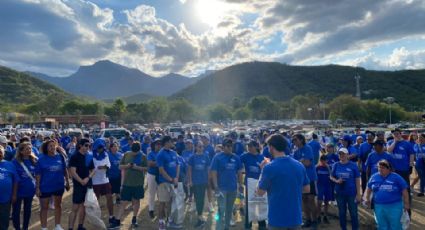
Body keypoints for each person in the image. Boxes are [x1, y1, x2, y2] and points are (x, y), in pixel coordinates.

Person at [257, 134, 310, 229]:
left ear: (271, 147)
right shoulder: (299, 165)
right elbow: (306, 189)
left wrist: (262, 171)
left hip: (277, 219)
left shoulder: (269, 168)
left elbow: (260, 192)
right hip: (295, 218)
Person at [110, 142, 147, 229]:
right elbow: (119, 166)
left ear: (139, 150)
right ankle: (117, 221)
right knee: (123, 202)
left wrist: (137, 167)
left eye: (136, 153)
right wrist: (127, 166)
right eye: (133, 152)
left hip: (138, 183)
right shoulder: (126, 154)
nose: (134, 154)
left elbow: (147, 168)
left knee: (136, 201)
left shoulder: (143, 156)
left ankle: (134, 218)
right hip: (127, 183)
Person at [365, 160, 410, 230]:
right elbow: (368, 188)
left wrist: (406, 203)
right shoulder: (374, 177)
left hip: (394, 206)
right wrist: (367, 198)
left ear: (389, 169)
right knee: (381, 224)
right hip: (379, 206)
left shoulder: (396, 177)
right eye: (379, 167)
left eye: (383, 167)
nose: (380, 169)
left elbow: (404, 190)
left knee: (395, 225)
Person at [36, 140, 70, 230]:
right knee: (44, 207)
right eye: (50, 146)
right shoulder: (41, 158)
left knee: (58, 205)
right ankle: (44, 227)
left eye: (53, 145)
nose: (52, 147)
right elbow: (38, 174)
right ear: (46, 148)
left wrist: (67, 181)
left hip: (58, 185)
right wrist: (38, 187)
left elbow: (65, 170)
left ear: (56, 146)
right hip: (45, 187)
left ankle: (57, 225)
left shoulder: (60, 157)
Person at [210, 138, 243, 230]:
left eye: (231, 146)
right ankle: (219, 227)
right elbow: (213, 172)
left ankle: (226, 227)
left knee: (229, 210)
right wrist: (216, 186)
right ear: (223, 147)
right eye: (227, 146)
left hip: (232, 188)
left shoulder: (236, 157)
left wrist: (240, 185)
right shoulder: (217, 157)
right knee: (221, 209)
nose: (229, 148)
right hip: (221, 189)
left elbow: (239, 172)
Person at [330, 147, 361, 230]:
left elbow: (357, 180)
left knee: (353, 213)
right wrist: (336, 181)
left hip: (351, 193)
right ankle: (343, 228)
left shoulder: (353, 165)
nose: (341, 155)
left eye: (343, 154)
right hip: (339, 193)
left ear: (347, 155)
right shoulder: (336, 165)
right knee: (342, 212)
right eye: (340, 154)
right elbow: (331, 176)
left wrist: (359, 194)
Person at [68, 138, 95, 230]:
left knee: (84, 206)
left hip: (87, 184)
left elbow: (93, 170)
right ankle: (70, 228)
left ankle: (80, 226)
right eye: (86, 145)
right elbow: (72, 172)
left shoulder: (89, 156)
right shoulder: (74, 156)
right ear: (80, 145)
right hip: (78, 185)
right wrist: (81, 181)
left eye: (89, 146)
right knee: (75, 207)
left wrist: (88, 178)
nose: (88, 147)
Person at [292, 134, 317, 229]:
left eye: (295, 139)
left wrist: (299, 162)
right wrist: (301, 161)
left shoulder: (308, 148)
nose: (294, 141)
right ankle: (308, 220)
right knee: (304, 200)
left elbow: (307, 163)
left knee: (311, 200)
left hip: (310, 178)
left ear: (301, 140)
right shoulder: (295, 151)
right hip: (300, 179)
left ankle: (314, 221)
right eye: (293, 140)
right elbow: (295, 165)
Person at [387, 128, 414, 215]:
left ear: (400, 133)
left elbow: (411, 154)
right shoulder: (390, 142)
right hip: (393, 170)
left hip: (404, 169)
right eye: (394, 134)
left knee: (405, 187)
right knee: (394, 187)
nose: (396, 135)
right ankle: (395, 203)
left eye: (397, 133)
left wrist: (410, 165)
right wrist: (395, 142)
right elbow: (389, 150)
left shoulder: (407, 143)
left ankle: (407, 204)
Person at [240, 140, 267, 230]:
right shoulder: (245, 156)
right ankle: (248, 225)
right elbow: (237, 162)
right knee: (249, 204)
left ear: (256, 147)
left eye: (251, 146)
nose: (249, 148)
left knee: (261, 203)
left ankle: (262, 224)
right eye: (248, 146)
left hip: (260, 184)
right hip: (249, 185)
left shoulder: (262, 157)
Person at [12, 142, 37, 230]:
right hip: (18, 191)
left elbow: (37, 175)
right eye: (26, 149)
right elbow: (14, 177)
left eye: (30, 148)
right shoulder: (15, 162)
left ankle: (25, 228)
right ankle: (17, 228)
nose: (29, 150)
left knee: (27, 211)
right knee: (16, 211)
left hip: (30, 191)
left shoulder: (34, 160)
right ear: (21, 151)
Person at [156, 136, 180, 230]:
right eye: (171, 142)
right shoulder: (160, 154)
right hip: (163, 182)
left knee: (171, 202)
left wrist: (176, 178)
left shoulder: (173, 152)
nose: (172, 143)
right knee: (162, 203)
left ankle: (170, 221)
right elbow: (161, 170)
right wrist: (171, 179)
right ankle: (161, 223)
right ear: (167, 142)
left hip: (173, 182)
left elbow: (177, 165)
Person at [91, 140, 116, 227]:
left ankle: (111, 216)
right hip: (95, 181)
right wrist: (99, 167)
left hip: (105, 180)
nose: (100, 149)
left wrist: (104, 167)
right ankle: (96, 218)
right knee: (96, 200)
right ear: (95, 147)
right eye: (99, 147)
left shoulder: (105, 155)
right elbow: (91, 168)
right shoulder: (91, 156)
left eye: (102, 147)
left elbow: (108, 166)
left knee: (109, 197)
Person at [187, 141, 210, 228]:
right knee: (198, 199)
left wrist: (208, 180)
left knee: (201, 199)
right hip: (195, 182)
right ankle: (200, 216)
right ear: (196, 147)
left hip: (203, 182)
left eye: (202, 146)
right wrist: (190, 181)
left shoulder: (206, 156)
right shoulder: (192, 157)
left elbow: (208, 169)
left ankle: (200, 216)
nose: (201, 148)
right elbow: (189, 170)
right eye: (199, 146)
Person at [0, 145, 18, 230]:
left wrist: (14, 194)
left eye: (1, 152)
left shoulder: (9, 164)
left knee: (4, 219)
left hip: (6, 198)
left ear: (4, 154)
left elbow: (15, 181)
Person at [147, 138, 161, 219]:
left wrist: (156, 163)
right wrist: (160, 163)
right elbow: (150, 164)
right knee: (152, 193)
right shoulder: (151, 153)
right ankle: (151, 210)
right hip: (152, 175)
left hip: (161, 175)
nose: (158, 146)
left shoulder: (163, 153)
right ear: (154, 145)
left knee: (160, 193)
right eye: (157, 144)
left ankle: (161, 210)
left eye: (160, 144)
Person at [316, 155, 332, 225]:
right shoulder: (317, 167)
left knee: (326, 202)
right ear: (320, 160)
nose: (324, 162)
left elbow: (331, 176)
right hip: (320, 186)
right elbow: (314, 178)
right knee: (319, 202)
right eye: (322, 161)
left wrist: (328, 168)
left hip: (327, 186)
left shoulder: (328, 167)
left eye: (325, 161)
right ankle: (318, 216)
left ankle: (325, 216)